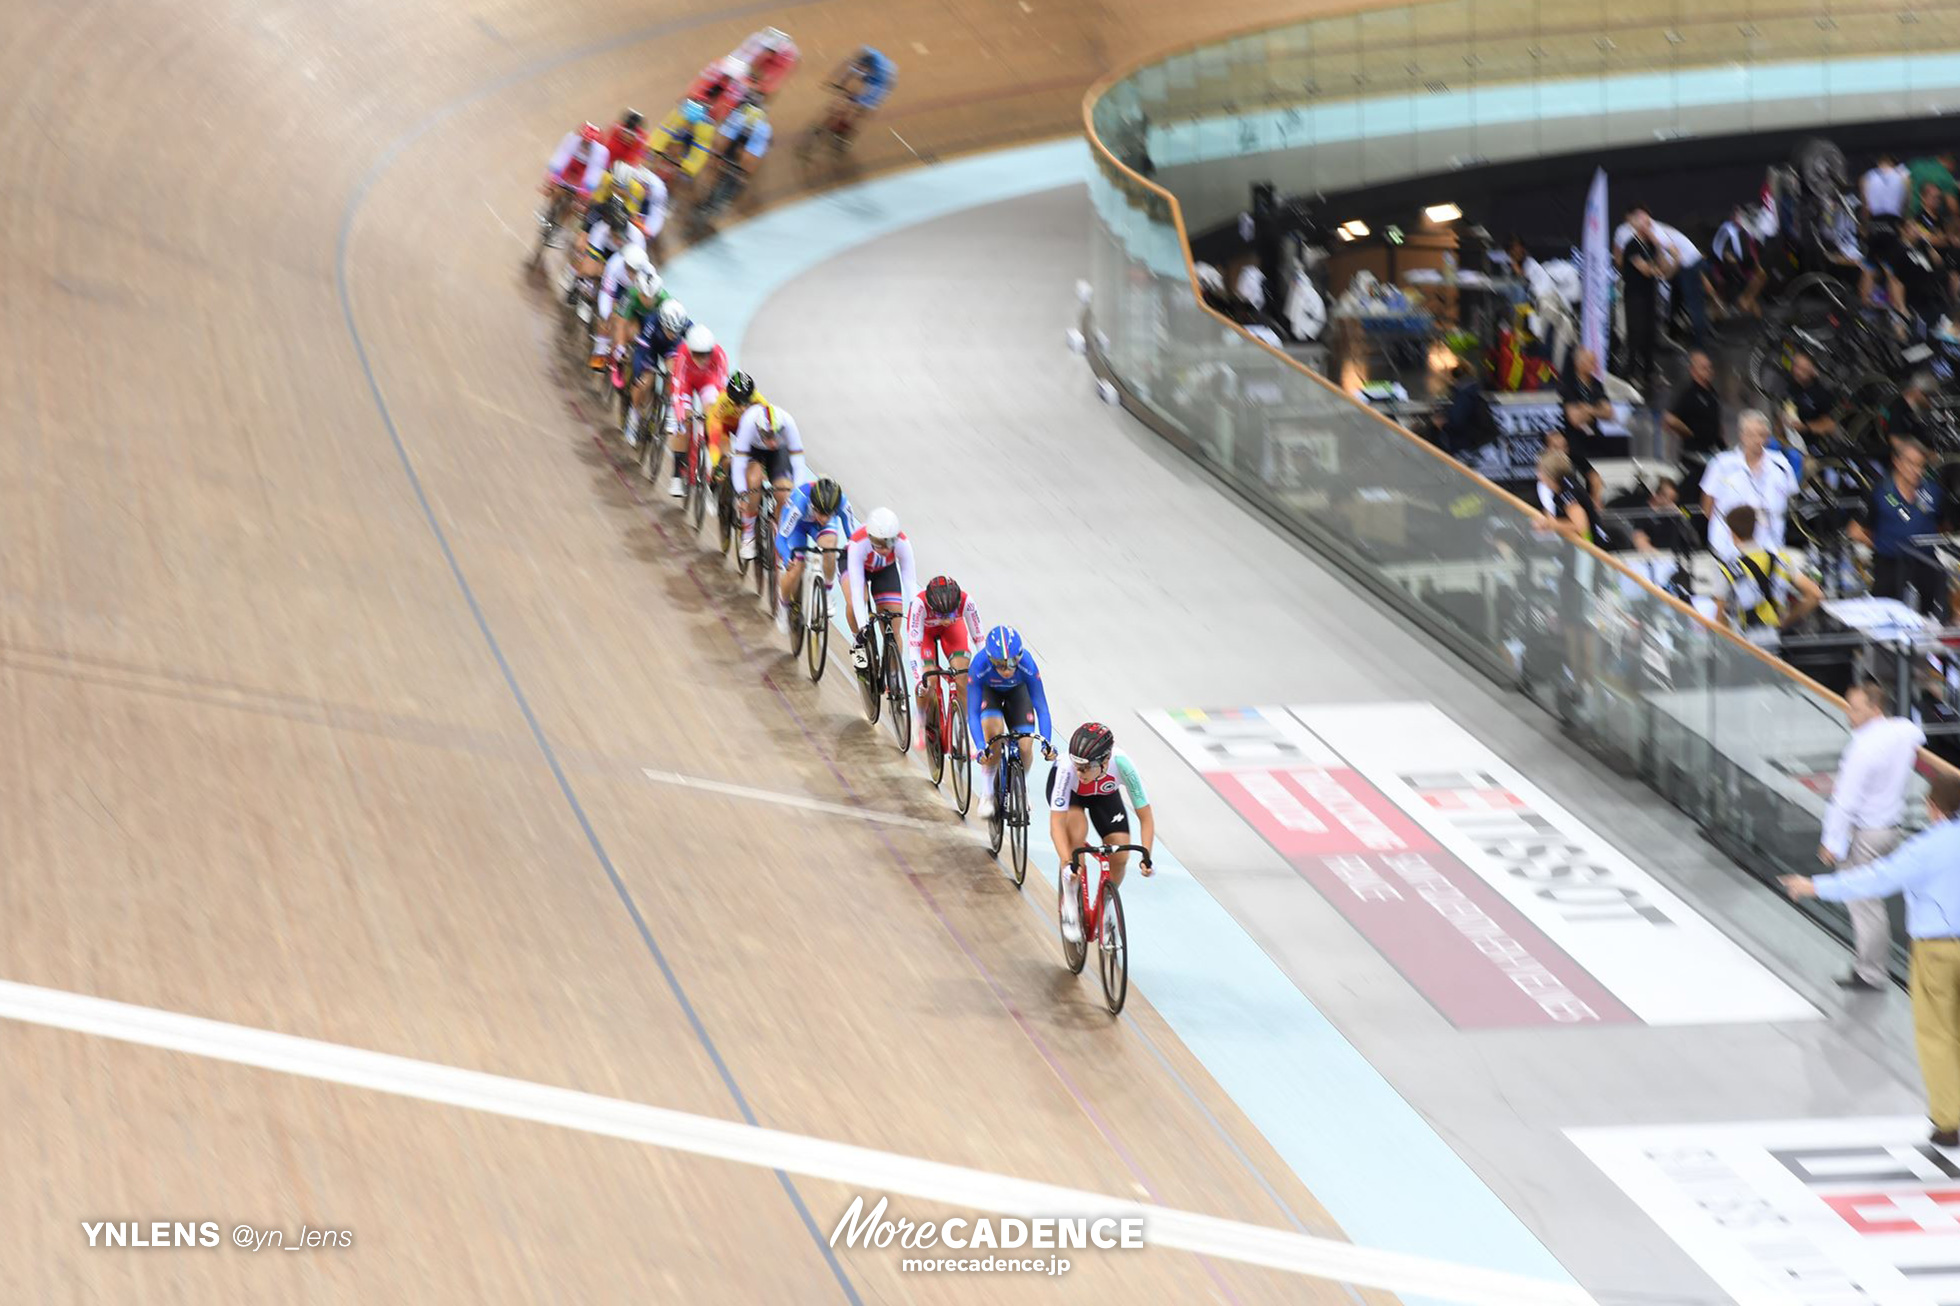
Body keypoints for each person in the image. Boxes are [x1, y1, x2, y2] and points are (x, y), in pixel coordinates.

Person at [1782, 771, 1960, 1145]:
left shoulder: (1927, 847)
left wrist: (1815, 886)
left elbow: (1876, 879)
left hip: (1939, 951)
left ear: (1934, 807)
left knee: (1939, 1034)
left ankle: (1950, 1121)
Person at [1819, 679, 1928, 990]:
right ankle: (1871, 967)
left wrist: (1831, 841)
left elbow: (1845, 800)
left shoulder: (1863, 748)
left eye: (1855, 708)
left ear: (1875, 708)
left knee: (1864, 903)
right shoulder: (1901, 730)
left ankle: (1870, 971)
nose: (1848, 713)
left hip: (1866, 833)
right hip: (1889, 828)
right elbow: (1916, 732)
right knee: (1869, 901)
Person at [1049, 722, 1156, 945]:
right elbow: (1056, 825)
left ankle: (1106, 909)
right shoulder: (1067, 769)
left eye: (1085, 768)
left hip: (1104, 795)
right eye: (1077, 765)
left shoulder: (1123, 764)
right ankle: (1069, 900)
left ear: (1105, 761)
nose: (1080, 772)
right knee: (1076, 833)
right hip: (1072, 794)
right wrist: (1068, 861)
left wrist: (1147, 856)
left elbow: (1145, 817)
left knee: (1121, 854)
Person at [1849, 437, 1950, 619]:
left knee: (1933, 620)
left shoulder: (1934, 491)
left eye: (1920, 465)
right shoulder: (1880, 492)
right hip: (1890, 564)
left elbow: (1943, 527)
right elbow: (1855, 531)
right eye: (1910, 463)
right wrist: (1883, 544)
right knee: (1883, 618)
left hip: (1926, 564)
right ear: (1897, 461)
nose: (1916, 470)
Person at [966, 626, 1055, 821]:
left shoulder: (1028, 665)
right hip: (991, 695)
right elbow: (972, 713)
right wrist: (981, 746)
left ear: (1020, 656)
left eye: (1013, 662)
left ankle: (1021, 784)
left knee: (1025, 746)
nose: (1007, 669)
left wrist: (1047, 741)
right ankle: (987, 793)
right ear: (990, 658)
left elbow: (1042, 707)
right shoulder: (979, 665)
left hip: (1018, 694)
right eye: (999, 664)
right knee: (993, 736)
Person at [1710, 504, 1821, 651]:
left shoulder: (1727, 570)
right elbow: (1815, 594)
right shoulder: (1781, 561)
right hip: (1774, 642)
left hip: (1742, 647)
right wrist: (1787, 620)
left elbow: (1719, 620)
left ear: (1732, 533)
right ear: (1755, 529)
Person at [1702, 409, 1800, 560]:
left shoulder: (1781, 465)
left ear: (1767, 437)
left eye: (1761, 434)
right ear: (1742, 435)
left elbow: (1791, 498)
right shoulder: (1721, 463)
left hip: (1769, 546)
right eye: (1751, 434)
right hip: (1727, 547)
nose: (1756, 440)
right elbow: (1707, 505)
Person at [727, 394, 810, 562]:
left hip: (779, 453)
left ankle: (782, 537)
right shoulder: (748, 423)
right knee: (754, 480)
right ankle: (748, 534)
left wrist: (796, 494)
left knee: (785, 493)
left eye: (775, 435)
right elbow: (739, 464)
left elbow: (799, 463)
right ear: (759, 429)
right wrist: (742, 493)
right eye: (767, 436)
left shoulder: (788, 423)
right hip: (753, 450)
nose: (772, 441)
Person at [906, 575, 982, 751]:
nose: (947, 619)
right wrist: (919, 680)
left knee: (963, 676)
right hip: (925, 633)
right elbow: (914, 649)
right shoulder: (919, 604)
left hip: (952, 633)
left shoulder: (966, 601)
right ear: (932, 607)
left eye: (952, 613)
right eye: (941, 614)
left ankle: (966, 727)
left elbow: (980, 642)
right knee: (929, 681)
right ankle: (920, 717)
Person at [844, 507, 920, 672]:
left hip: (884, 569)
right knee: (856, 600)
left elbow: (909, 577)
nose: (885, 549)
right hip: (856, 568)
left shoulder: (902, 542)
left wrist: (915, 604)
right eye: (879, 544)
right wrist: (863, 627)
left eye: (889, 543)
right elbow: (857, 589)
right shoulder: (858, 543)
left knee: (894, 622)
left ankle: (893, 678)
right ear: (870, 537)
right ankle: (857, 643)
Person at [775, 477, 852, 635]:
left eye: (828, 514)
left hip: (817, 528)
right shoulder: (800, 502)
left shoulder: (842, 503)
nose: (824, 518)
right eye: (820, 512)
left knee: (830, 549)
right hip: (798, 527)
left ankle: (827, 593)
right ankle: (783, 606)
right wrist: (787, 555)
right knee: (796, 568)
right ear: (812, 504)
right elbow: (781, 538)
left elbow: (854, 538)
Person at [663, 324, 729, 498]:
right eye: (697, 355)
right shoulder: (682, 354)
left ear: (711, 350)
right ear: (690, 350)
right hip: (686, 383)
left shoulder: (720, 355)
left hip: (709, 383)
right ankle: (677, 474)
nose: (701, 359)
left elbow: (722, 391)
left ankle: (715, 467)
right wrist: (682, 414)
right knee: (682, 424)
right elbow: (677, 390)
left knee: (714, 420)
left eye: (705, 354)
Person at [1615, 207, 1673, 385]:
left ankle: (1649, 371)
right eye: (1647, 225)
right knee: (1636, 333)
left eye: (1650, 225)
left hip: (1649, 294)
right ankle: (1631, 372)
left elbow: (1663, 268)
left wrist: (1658, 246)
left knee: (1650, 332)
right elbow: (1646, 270)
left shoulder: (1650, 245)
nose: (1650, 228)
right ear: (1639, 226)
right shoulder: (1632, 246)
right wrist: (1655, 269)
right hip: (1634, 295)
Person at [624, 298, 690, 449]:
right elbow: (641, 354)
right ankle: (633, 418)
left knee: (674, 371)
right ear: (662, 322)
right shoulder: (651, 323)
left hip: (670, 350)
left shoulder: (684, 323)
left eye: (676, 332)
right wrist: (639, 377)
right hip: (650, 348)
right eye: (669, 331)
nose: (673, 334)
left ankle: (668, 408)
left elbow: (696, 339)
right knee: (644, 382)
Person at [1662, 349, 1723, 489]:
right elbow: (1669, 419)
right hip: (1694, 456)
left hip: (1712, 450)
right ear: (1693, 370)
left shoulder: (1712, 392)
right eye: (1704, 368)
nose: (1709, 370)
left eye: (1709, 367)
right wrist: (1688, 433)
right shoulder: (1688, 394)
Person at [816, 46, 897, 148]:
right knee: (852, 101)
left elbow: (853, 72)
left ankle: (843, 134)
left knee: (857, 108)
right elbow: (849, 69)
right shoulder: (873, 57)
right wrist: (841, 84)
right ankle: (842, 130)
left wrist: (842, 87)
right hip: (875, 80)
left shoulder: (873, 60)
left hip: (878, 85)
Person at [541, 122, 610, 210]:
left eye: (588, 143)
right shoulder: (572, 140)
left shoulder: (600, 152)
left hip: (585, 171)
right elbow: (561, 156)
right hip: (571, 166)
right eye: (584, 140)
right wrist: (554, 174)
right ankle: (550, 209)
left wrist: (588, 189)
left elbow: (594, 171)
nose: (585, 143)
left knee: (581, 202)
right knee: (553, 185)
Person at [1785, 350, 1839, 444]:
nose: (1797, 372)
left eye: (1803, 369)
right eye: (1796, 367)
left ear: (1812, 371)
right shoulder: (1792, 386)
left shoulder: (1821, 393)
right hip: (1790, 438)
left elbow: (1830, 425)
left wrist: (1805, 427)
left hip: (1811, 444)